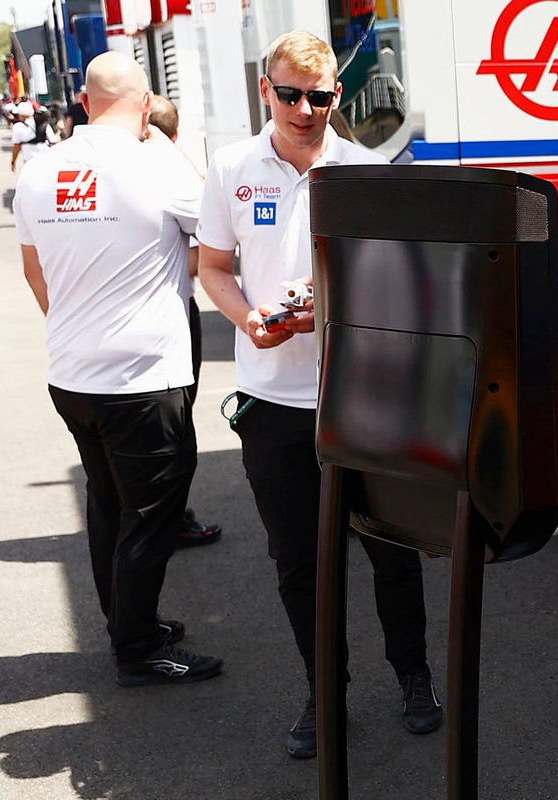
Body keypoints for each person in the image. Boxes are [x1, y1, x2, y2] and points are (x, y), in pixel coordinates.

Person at [197, 30, 443, 759]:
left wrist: (330, 300)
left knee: (393, 551)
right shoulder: (231, 167)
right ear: (265, 90)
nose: (306, 109)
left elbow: (401, 284)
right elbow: (212, 267)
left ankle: (414, 674)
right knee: (299, 561)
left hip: (363, 395)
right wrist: (250, 319)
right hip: (273, 401)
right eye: (291, 94)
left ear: (338, 94)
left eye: (321, 95)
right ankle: (323, 687)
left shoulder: (366, 170)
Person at [12, 51, 223, 686]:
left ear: (82, 103)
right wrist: (163, 142)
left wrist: (77, 327)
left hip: (73, 374)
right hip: (141, 378)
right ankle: (135, 646)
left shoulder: (38, 169)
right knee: (152, 514)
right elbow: (218, 229)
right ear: (146, 103)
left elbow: (34, 271)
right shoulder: (153, 164)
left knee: (107, 502)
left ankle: (126, 624)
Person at [146, 92, 223, 548]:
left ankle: (163, 515)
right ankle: (169, 518)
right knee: (175, 433)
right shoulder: (169, 174)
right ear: (174, 137)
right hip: (171, 320)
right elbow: (210, 232)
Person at [10, 102, 58, 172]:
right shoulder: (44, 124)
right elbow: (54, 141)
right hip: (45, 158)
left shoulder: (17, 127)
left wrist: (13, 161)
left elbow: (16, 146)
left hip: (29, 160)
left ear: (20, 114)